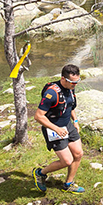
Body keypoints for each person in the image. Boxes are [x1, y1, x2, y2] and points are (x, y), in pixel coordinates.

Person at [33, 63, 86, 193]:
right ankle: (40, 173)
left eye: (77, 82)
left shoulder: (70, 88)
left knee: (78, 154)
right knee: (67, 160)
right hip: (53, 128)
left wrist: (76, 121)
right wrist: (57, 129)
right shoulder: (52, 93)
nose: (75, 85)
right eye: (73, 82)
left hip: (67, 124)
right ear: (63, 79)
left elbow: (70, 106)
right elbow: (38, 116)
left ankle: (68, 184)